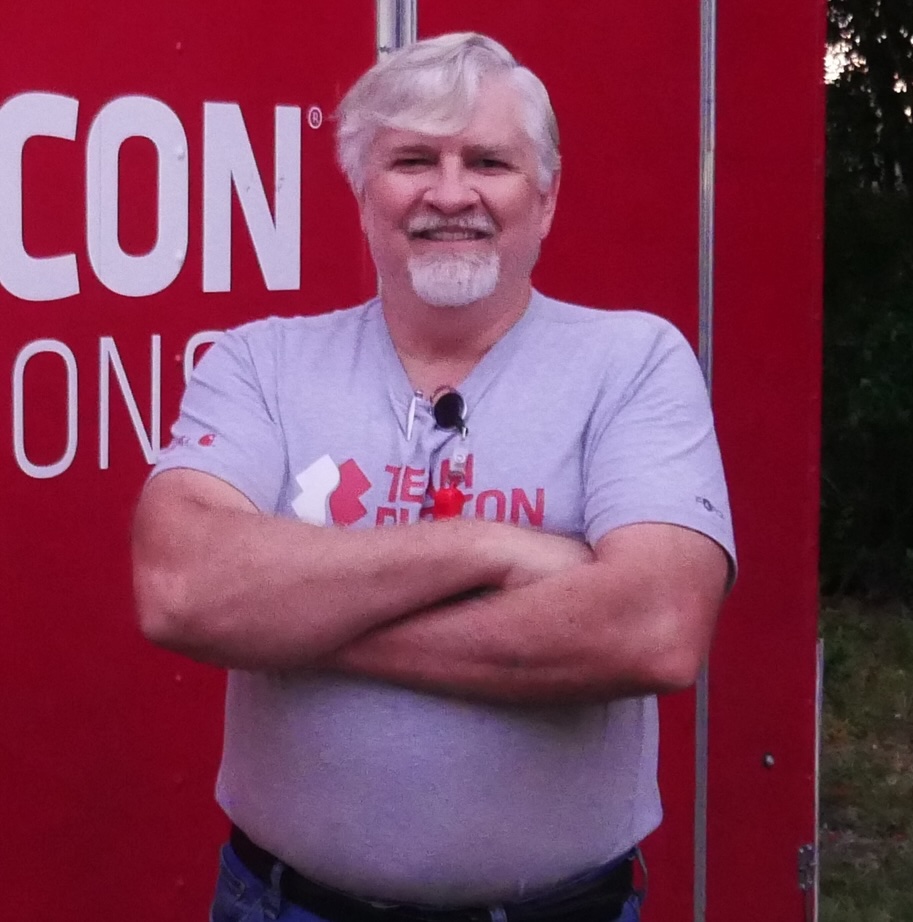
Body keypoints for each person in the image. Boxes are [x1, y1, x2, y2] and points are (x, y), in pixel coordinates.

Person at [132, 32, 735, 922]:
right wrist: (490, 549)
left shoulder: (633, 362)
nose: (450, 194)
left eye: (487, 161)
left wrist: (292, 622)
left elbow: (652, 630)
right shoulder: (260, 363)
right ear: (362, 192)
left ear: (545, 197)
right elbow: (181, 591)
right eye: (412, 160)